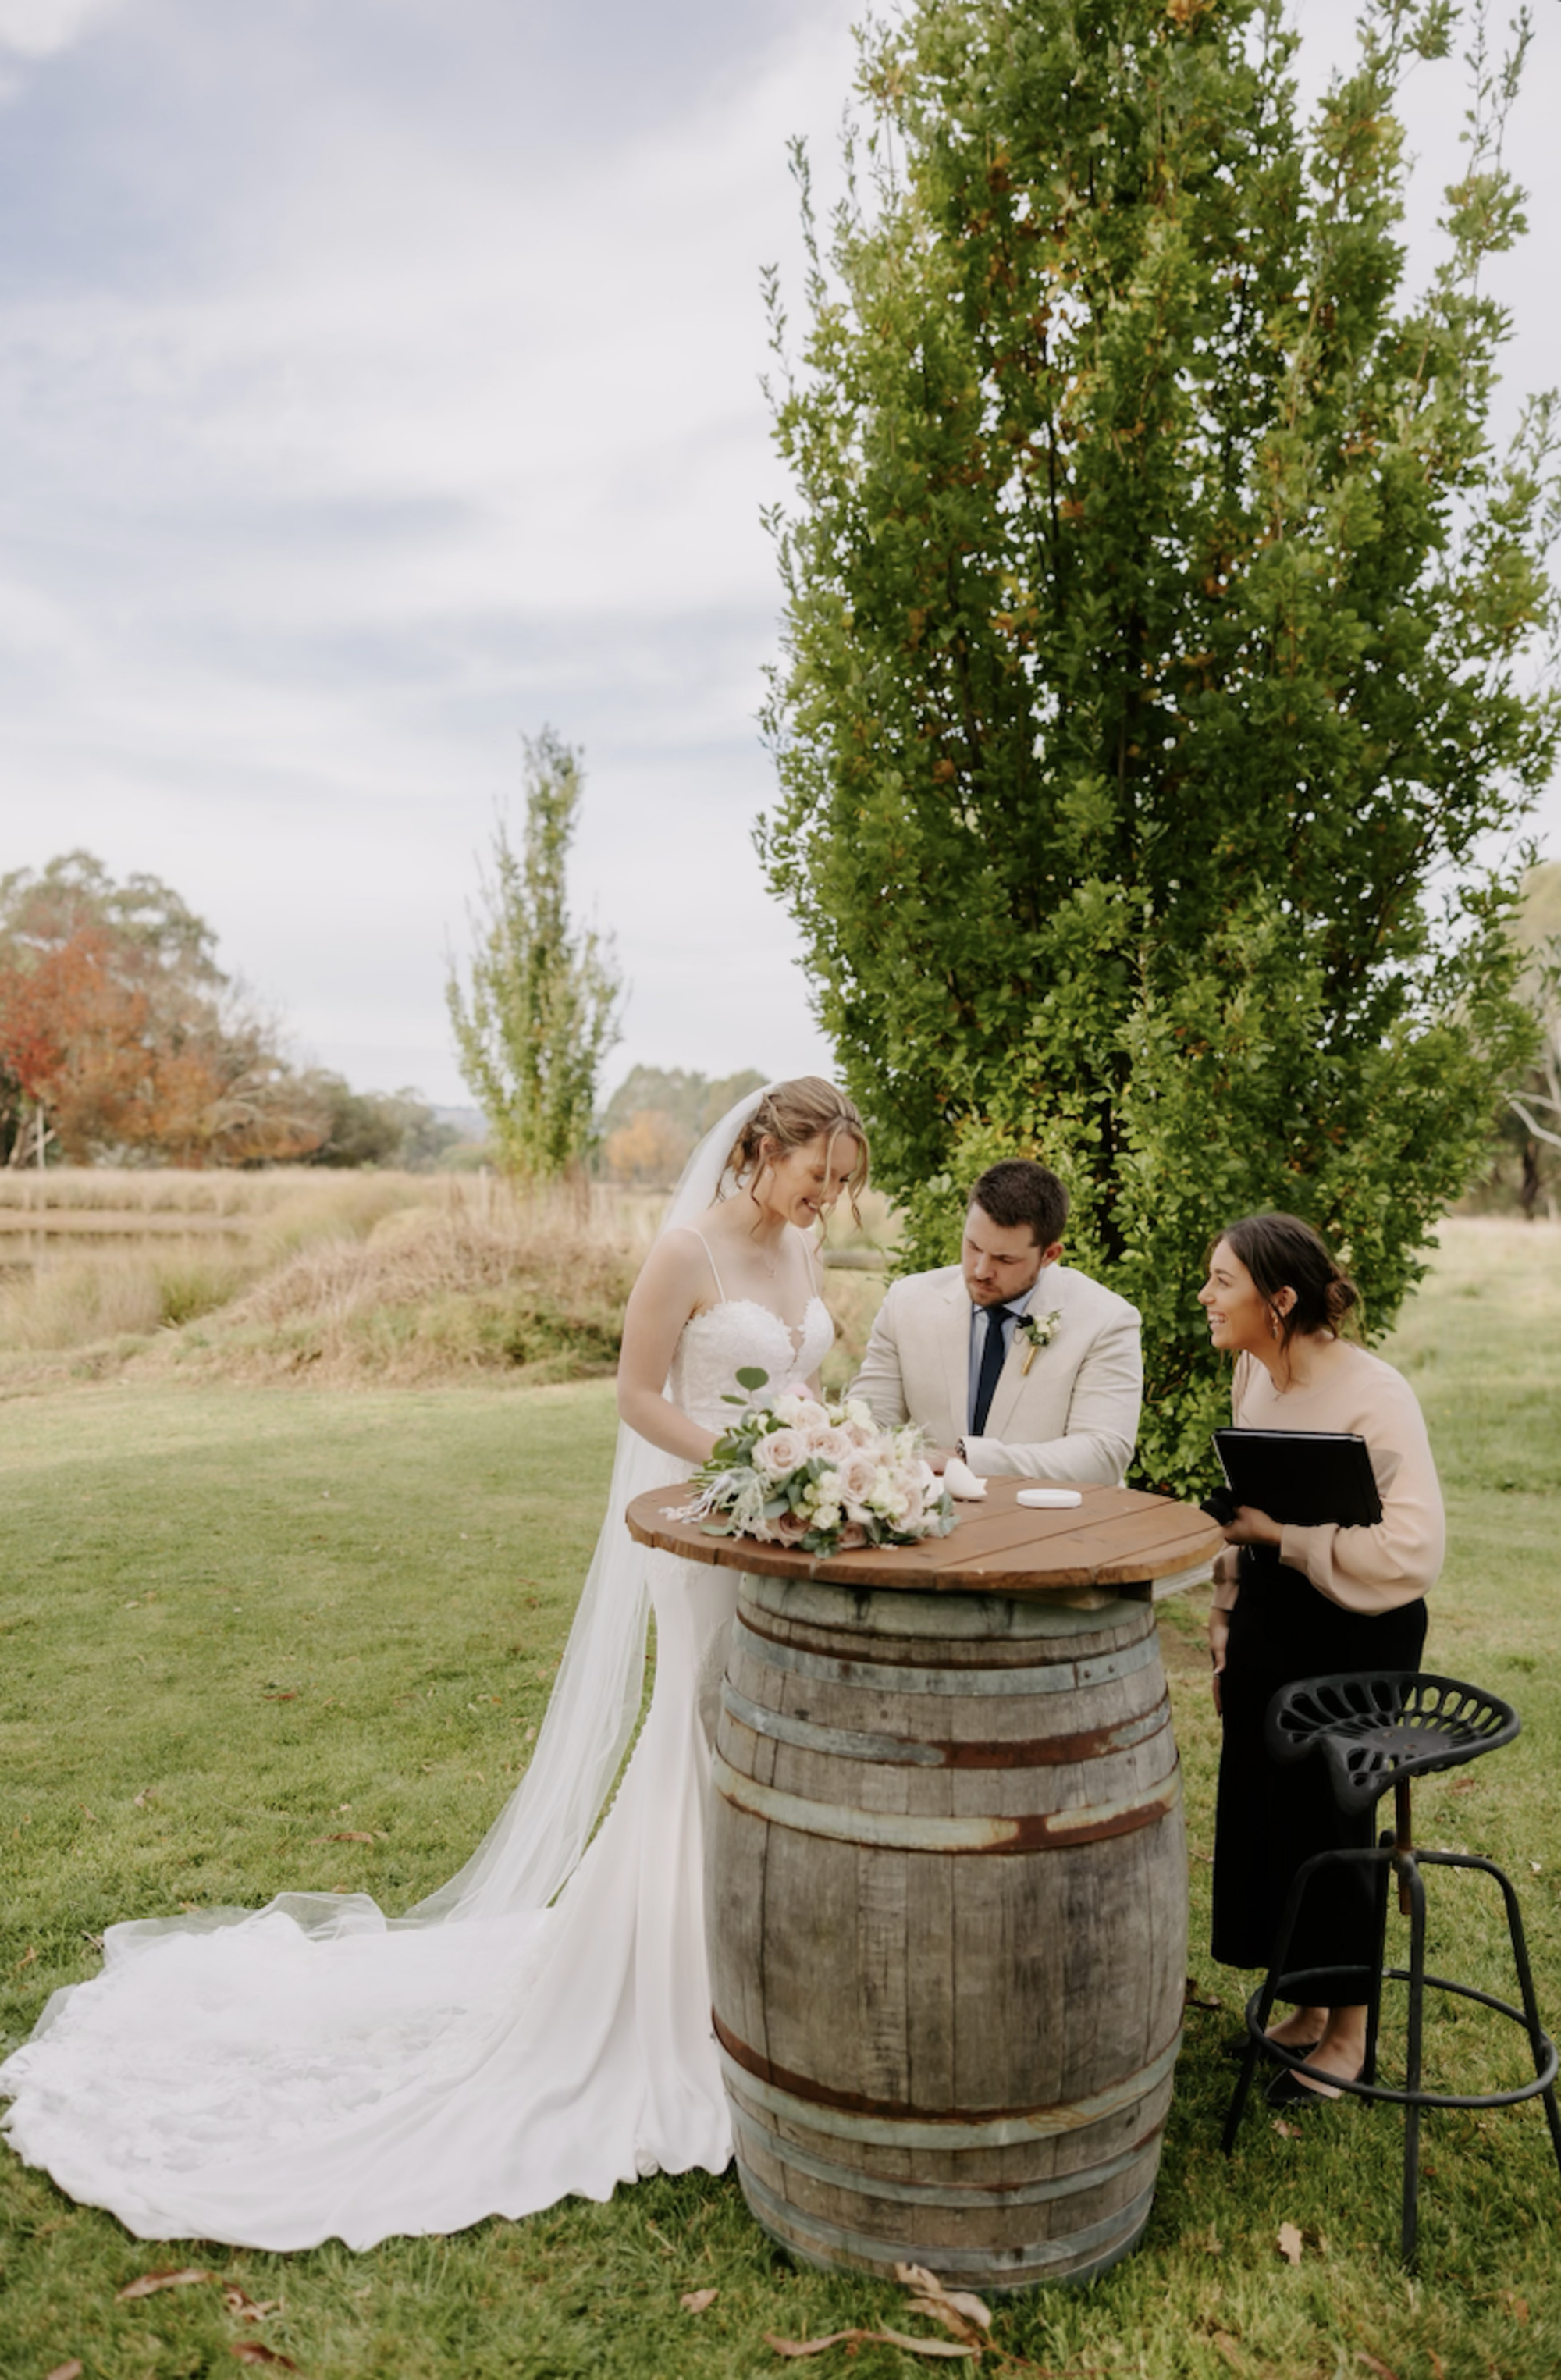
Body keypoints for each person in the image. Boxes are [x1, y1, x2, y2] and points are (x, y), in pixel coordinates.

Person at [0, 1077, 867, 2248]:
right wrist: (745, 1450)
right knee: (694, 1731)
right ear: (763, 1150)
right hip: (695, 1520)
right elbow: (636, 1394)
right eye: (817, 1177)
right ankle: (668, 1993)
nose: (828, 1201)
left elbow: (803, 1377)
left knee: (756, 1732)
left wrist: (824, 1443)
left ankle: (749, 1973)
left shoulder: (803, 1256)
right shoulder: (684, 1250)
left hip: (774, 1522)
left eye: (842, 1185)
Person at [1201, 1213, 1445, 2107]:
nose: (1205, 1296)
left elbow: (1412, 1551)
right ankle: (1301, 2004)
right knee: (1267, 1811)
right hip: (1272, 1619)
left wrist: (1287, 1538)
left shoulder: (1374, 1395)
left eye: (1220, 1281)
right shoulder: (1250, 1377)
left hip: (1359, 1631)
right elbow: (1247, 1518)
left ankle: (1348, 2037)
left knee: (1332, 1822)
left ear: (1281, 1299)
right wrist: (1226, 1609)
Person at [851, 1157, 1142, 1482]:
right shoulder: (907, 1302)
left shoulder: (1107, 1320)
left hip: (1054, 1526)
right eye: (973, 1246)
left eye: (1005, 1259)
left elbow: (1103, 1454)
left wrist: (968, 1458)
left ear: (1049, 1255)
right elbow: (868, 1421)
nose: (980, 1271)